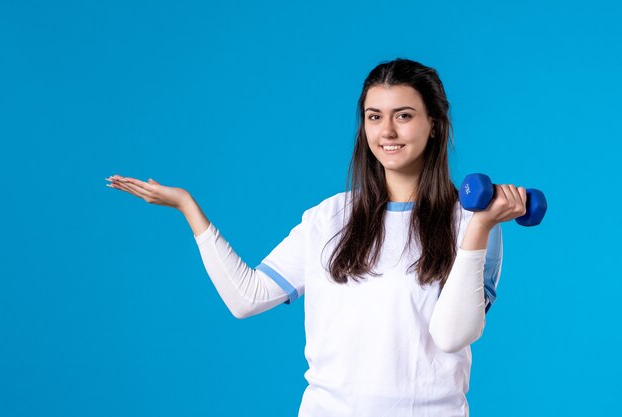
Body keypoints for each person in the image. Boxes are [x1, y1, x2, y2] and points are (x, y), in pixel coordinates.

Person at [105, 58, 527, 417]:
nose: (387, 132)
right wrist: (188, 208)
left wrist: (480, 228)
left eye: (404, 115)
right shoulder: (330, 217)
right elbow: (246, 297)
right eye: (374, 117)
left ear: (433, 124)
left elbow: (453, 336)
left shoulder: (472, 221)